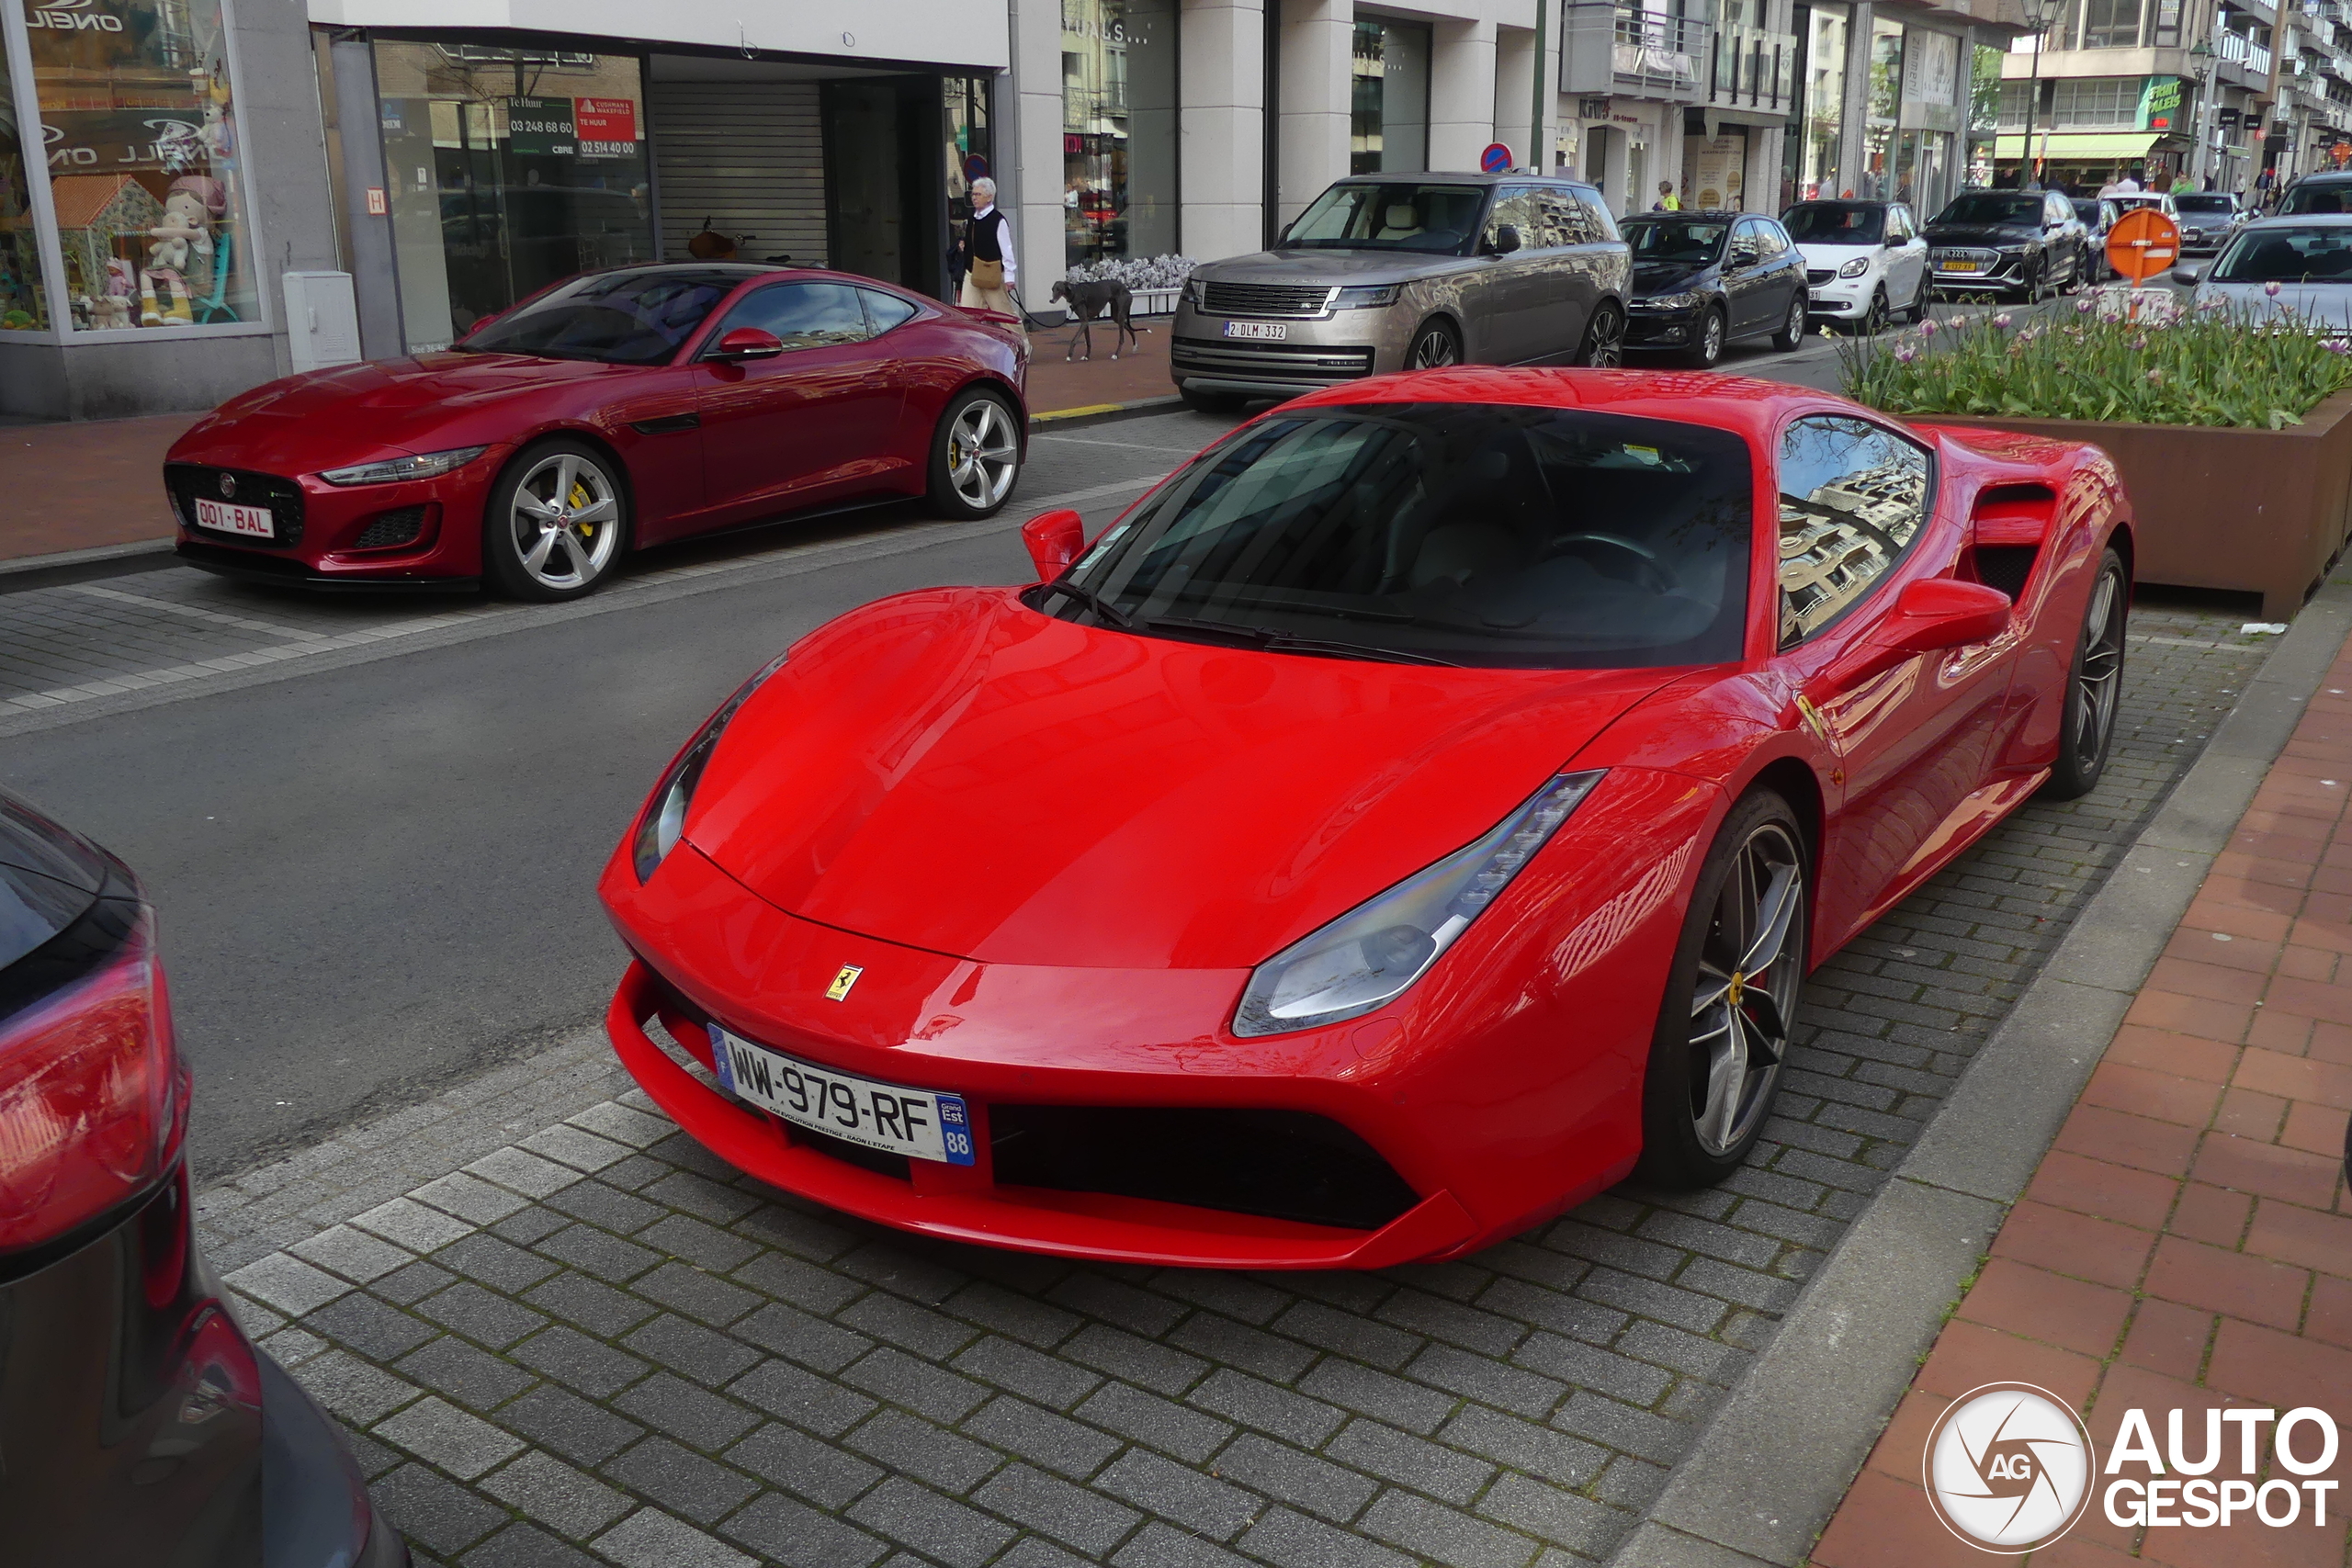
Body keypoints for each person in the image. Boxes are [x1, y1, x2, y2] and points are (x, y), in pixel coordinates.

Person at [958, 176, 1023, 336]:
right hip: (972, 272)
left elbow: (1006, 249)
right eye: (973, 194)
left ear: (989, 197)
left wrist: (1009, 276)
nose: (974, 197)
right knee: (967, 314)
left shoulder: (997, 220)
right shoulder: (972, 219)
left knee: (1004, 314)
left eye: (978, 194)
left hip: (991, 273)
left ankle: (1023, 344)